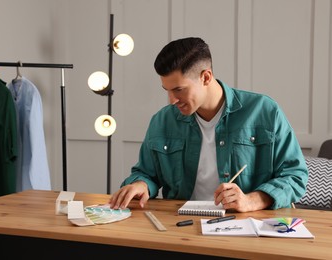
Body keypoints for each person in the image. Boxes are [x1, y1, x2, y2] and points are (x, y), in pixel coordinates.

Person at [109, 37, 308, 212]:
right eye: (167, 90)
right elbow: (146, 173)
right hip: (179, 227)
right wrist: (141, 185)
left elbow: (295, 175)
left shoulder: (264, 111)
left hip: (247, 227)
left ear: (206, 77)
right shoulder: (162, 120)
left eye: (179, 90)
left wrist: (252, 200)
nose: (171, 100)